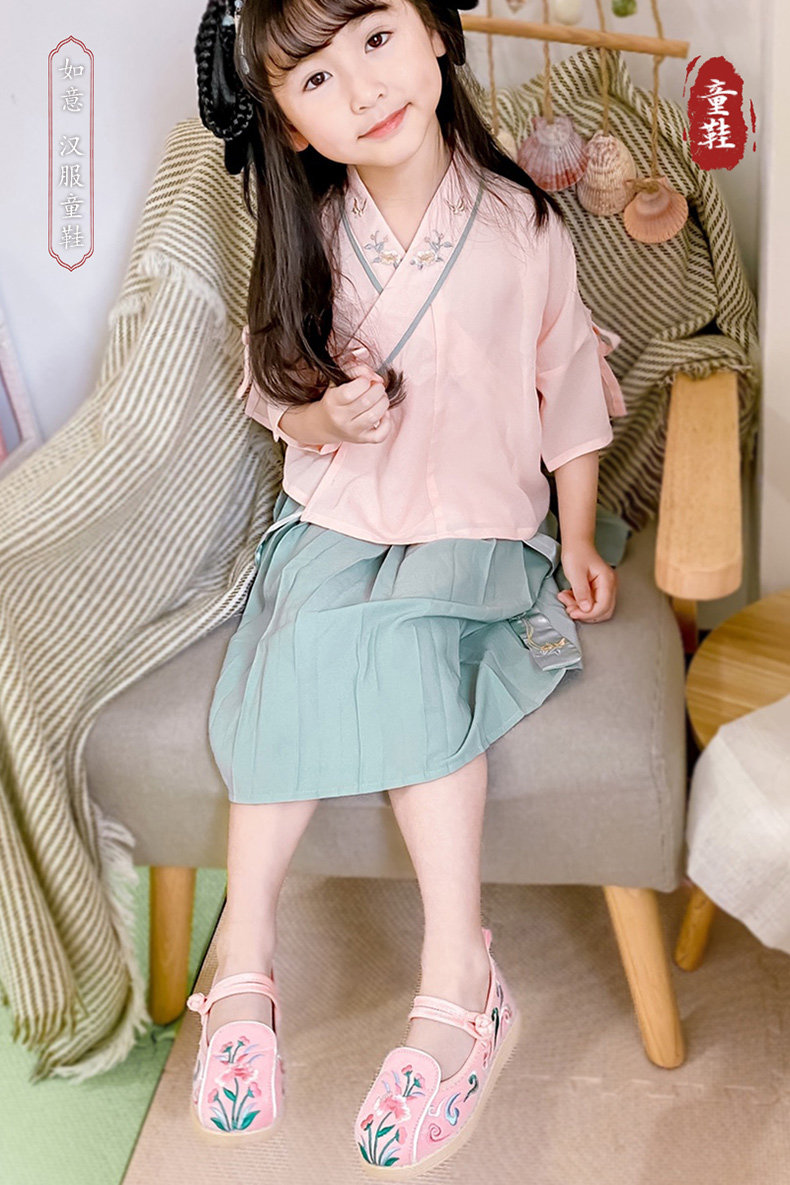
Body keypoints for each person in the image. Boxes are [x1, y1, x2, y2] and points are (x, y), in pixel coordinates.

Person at [186, 0, 628, 1169]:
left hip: (476, 530)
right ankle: (244, 958)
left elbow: (567, 387)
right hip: (339, 521)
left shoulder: (525, 227)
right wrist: (325, 418)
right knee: (293, 644)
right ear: (289, 125)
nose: (362, 87)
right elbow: (273, 390)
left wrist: (577, 537)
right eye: (315, 79)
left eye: (375, 39)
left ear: (432, 31)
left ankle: (457, 978)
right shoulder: (315, 235)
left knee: (406, 652)